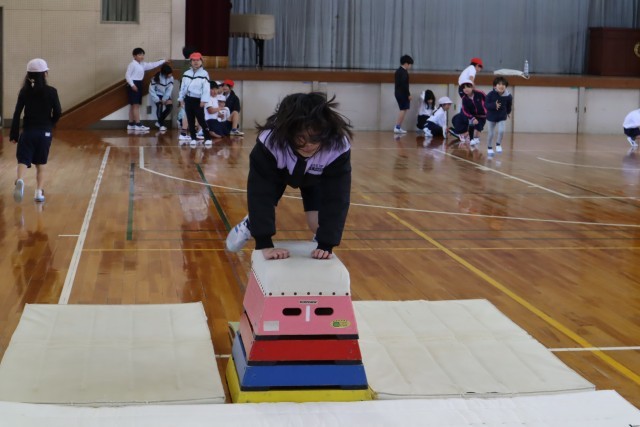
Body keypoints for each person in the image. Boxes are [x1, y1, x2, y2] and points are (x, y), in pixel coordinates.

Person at [225, 92, 353, 260]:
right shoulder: (269, 143)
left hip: (316, 176)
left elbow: (337, 197)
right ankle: (250, 223)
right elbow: (260, 193)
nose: (308, 145)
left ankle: (318, 235)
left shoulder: (337, 147)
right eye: (301, 138)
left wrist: (326, 243)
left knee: (317, 224)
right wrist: (264, 243)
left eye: (315, 139)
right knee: (264, 203)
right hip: (279, 171)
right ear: (288, 131)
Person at [10, 58, 62, 203]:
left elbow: (17, 113)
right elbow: (58, 112)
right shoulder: (52, 91)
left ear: (28, 75)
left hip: (28, 132)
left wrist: (14, 134)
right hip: (44, 132)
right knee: (41, 165)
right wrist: (50, 123)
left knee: (23, 160)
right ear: (45, 74)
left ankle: (20, 180)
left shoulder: (24, 92)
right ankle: (38, 192)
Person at [125, 47, 166, 132]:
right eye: (139, 55)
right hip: (134, 84)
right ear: (134, 56)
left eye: (143, 55)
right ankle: (138, 124)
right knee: (135, 105)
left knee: (133, 105)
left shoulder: (142, 64)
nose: (142, 56)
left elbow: (152, 65)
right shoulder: (132, 64)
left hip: (139, 83)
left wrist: (163, 61)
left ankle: (131, 124)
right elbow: (127, 75)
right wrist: (132, 85)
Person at [177, 52, 211, 147]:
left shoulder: (204, 74)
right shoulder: (186, 73)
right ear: (190, 62)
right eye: (194, 60)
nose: (196, 62)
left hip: (198, 100)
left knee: (201, 119)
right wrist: (181, 98)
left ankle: (208, 138)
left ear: (201, 61)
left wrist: (203, 100)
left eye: (198, 60)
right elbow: (182, 87)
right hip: (188, 98)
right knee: (190, 119)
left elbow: (206, 89)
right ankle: (193, 138)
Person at [485, 76, 513, 155]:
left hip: (501, 115)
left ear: (506, 86)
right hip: (491, 116)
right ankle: (489, 147)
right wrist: (494, 105)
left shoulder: (508, 96)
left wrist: (508, 112)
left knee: (501, 131)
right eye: (499, 84)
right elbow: (486, 105)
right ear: (495, 86)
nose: (501, 86)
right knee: (491, 133)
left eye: (503, 84)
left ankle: (498, 144)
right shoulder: (490, 94)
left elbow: (509, 105)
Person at [459, 80, 487, 146]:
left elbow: (488, 101)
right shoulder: (464, 99)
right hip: (473, 116)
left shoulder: (480, 93)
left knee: (478, 130)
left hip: (482, 116)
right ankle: (472, 139)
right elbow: (465, 110)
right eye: (464, 88)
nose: (466, 89)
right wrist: (472, 118)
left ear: (472, 87)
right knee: (474, 128)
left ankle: (469, 136)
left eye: (468, 87)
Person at [149, 63, 174, 132]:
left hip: (165, 95)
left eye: (171, 73)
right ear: (164, 73)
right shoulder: (155, 78)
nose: (170, 75)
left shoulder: (171, 78)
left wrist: (164, 99)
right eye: (169, 74)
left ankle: (159, 122)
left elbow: (169, 89)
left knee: (170, 107)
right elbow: (151, 90)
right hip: (157, 95)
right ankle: (161, 125)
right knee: (159, 106)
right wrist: (157, 99)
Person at [394, 54, 414, 134]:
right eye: (410, 64)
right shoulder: (403, 72)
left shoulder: (398, 71)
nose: (410, 66)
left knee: (403, 109)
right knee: (403, 109)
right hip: (402, 94)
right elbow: (404, 85)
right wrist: (408, 94)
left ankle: (398, 127)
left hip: (398, 93)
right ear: (406, 63)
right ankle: (397, 127)